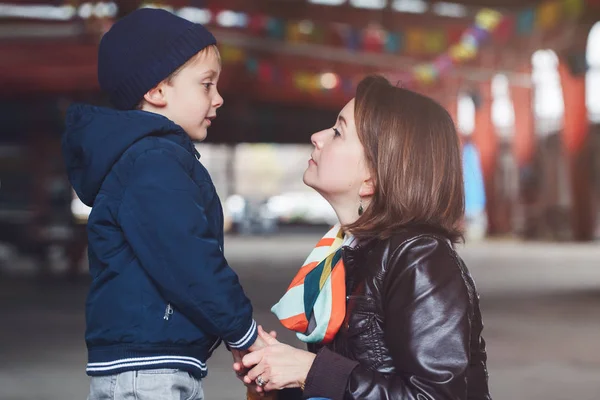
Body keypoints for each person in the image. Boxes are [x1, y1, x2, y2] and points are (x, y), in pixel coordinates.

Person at [235, 75, 492, 400]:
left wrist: (307, 370)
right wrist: (275, 377)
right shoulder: (350, 250)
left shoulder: (420, 259)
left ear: (372, 177)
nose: (317, 137)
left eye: (338, 132)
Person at [62, 9, 265, 399]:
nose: (218, 98)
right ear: (157, 91)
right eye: (207, 84)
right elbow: (188, 257)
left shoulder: (156, 158)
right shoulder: (153, 161)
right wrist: (243, 330)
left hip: (151, 364)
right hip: (147, 372)